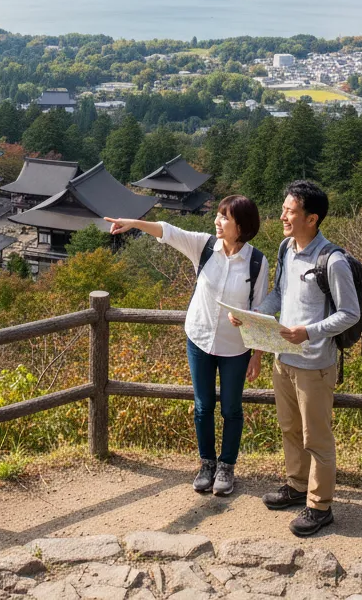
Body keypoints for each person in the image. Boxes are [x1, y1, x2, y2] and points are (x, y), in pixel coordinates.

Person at [105, 196, 267, 497]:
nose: (216, 221)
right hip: (199, 339)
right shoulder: (204, 246)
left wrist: (257, 356)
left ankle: (226, 466)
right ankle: (207, 464)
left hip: (236, 348)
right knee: (203, 406)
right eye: (218, 215)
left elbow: (259, 311)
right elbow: (167, 231)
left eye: (224, 218)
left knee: (231, 409)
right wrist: (132, 223)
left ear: (241, 227)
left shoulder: (257, 262)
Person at [255, 180, 361, 537]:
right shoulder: (287, 248)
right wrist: (255, 315)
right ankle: (297, 485)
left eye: (290, 211)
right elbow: (279, 295)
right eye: (284, 208)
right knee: (289, 429)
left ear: (312, 218)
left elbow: (350, 314)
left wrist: (309, 331)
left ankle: (319, 505)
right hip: (284, 358)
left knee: (317, 437)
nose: (283, 215)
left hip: (315, 362)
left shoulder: (332, 261)